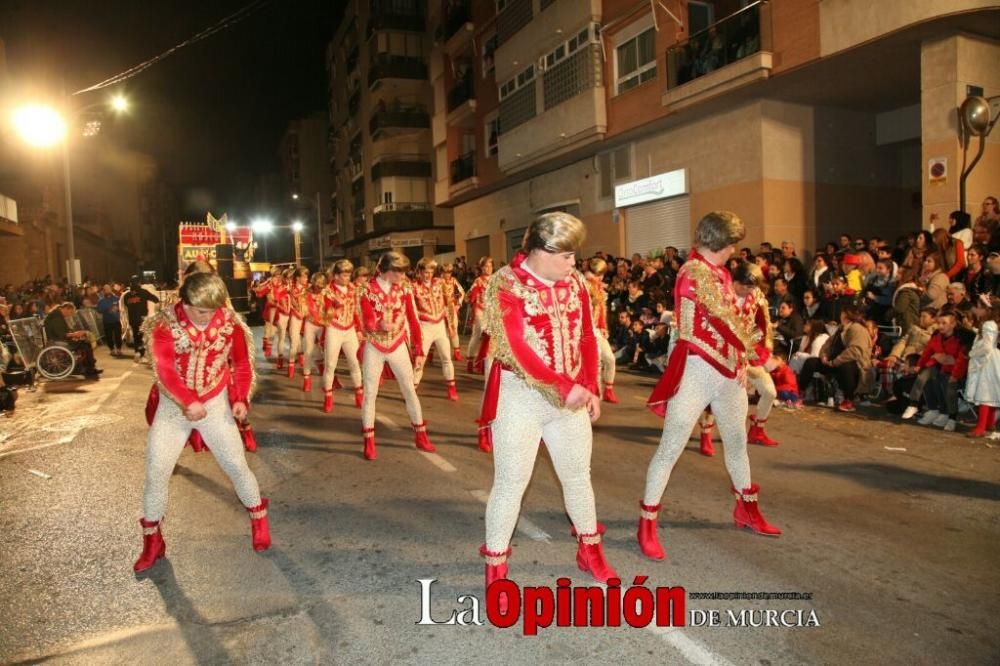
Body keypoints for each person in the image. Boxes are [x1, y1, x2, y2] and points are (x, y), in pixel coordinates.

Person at [477, 212, 616, 612]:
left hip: (570, 398)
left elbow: (589, 335)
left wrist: (589, 385)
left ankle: (590, 551)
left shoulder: (575, 283)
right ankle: (496, 567)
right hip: (519, 397)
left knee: (578, 477)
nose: (574, 264)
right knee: (511, 483)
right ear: (541, 250)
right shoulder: (505, 283)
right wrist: (563, 386)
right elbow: (517, 347)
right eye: (567, 255)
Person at [641, 211, 781, 563]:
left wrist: (744, 359)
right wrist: (757, 353)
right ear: (724, 243)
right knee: (670, 448)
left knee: (736, 444)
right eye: (733, 244)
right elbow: (722, 317)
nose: (734, 251)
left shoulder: (718, 272)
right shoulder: (694, 272)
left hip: (727, 372)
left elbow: (733, 318)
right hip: (697, 370)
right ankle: (647, 524)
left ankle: (746, 509)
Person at [133, 272, 270, 572]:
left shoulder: (229, 322)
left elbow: (242, 364)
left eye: (212, 311)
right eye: (200, 311)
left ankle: (259, 519)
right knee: (157, 471)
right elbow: (165, 369)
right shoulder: (164, 324)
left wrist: (239, 399)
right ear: (185, 302)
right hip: (173, 407)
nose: (207, 318)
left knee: (236, 465)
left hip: (214, 401)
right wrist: (187, 400)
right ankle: (152, 541)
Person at [357, 251, 435, 460]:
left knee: (409, 389)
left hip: (398, 343)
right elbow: (364, 318)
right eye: (398, 271)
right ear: (386, 270)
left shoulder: (405, 287)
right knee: (370, 393)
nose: (402, 275)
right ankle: (369, 440)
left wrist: (418, 350)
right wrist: (377, 324)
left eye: (403, 271)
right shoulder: (366, 289)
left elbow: (413, 319)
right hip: (374, 344)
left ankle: (421, 435)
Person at [732, 262, 781, 447]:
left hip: (750, 352)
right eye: (746, 285)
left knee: (769, 392)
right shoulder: (722, 295)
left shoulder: (758, 297)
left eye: (752, 286)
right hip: (727, 355)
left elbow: (764, 325)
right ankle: (708, 430)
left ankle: (757, 429)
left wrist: (764, 352)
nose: (749, 290)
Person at [901, 309, 969, 431]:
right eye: (939, 323)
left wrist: (954, 372)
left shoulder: (960, 338)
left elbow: (961, 359)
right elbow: (928, 351)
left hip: (954, 370)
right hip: (937, 365)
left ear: (953, 324)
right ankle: (918, 405)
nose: (940, 326)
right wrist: (920, 365)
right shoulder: (937, 336)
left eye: (944, 323)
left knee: (948, 385)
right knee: (925, 375)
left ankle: (951, 417)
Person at [798, 305, 872, 412]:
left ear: (846, 315)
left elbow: (855, 351)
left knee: (847, 367)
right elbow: (828, 344)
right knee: (811, 362)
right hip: (833, 362)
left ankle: (849, 399)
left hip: (854, 366)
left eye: (842, 313)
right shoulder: (841, 329)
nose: (840, 315)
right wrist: (824, 355)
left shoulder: (857, 329)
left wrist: (835, 362)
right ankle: (800, 392)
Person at [411, 258, 459, 401]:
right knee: (420, 359)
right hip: (425, 326)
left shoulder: (440, 283)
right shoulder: (413, 287)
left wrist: (451, 325)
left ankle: (451, 388)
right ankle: (413, 389)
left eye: (431, 271)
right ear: (419, 272)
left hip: (439, 326)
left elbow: (449, 303)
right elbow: (410, 310)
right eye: (425, 272)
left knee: (446, 358)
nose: (428, 275)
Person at [321, 260, 364, 414]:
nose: (347, 278)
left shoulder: (353, 289)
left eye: (348, 275)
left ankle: (360, 395)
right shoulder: (327, 291)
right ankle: (328, 397)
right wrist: (335, 308)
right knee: (331, 365)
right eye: (344, 275)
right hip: (334, 329)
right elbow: (323, 315)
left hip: (350, 328)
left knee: (355, 362)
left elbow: (356, 311)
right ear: (336, 275)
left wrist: (359, 329)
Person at [585, 258, 619, 404]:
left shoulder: (599, 287)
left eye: (602, 274)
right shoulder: (584, 286)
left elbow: (601, 310)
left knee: (610, 359)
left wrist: (603, 326)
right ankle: (595, 394)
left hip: (597, 330)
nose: (600, 277)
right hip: (586, 331)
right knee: (596, 363)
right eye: (598, 274)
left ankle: (608, 390)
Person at [964, 299, 1000, 438]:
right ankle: (989, 423)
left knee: (985, 392)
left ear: (987, 310)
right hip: (991, 359)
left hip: (987, 361)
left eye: (978, 307)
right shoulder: (991, 324)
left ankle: (981, 428)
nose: (976, 310)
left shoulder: (989, 324)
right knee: (989, 392)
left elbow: (986, 346)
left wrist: (972, 353)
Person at [43, 302, 100, 378]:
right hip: (57, 342)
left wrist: (74, 334)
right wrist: (75, 334)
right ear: (66, 309)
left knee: (85, 343)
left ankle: (89, 367)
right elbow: (61, 334)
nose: (70, 315)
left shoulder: (57, 315)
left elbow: (64, 332)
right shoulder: (56, 317)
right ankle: (89, 368)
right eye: (70, 312)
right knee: (84, 344)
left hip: (59, 339)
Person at [300, 272, 328, 392]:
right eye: (317, 286)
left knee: (326, 351)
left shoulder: (327, 292)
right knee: (308, 351)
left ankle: (326, 376)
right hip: (310, 323)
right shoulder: (305, 293)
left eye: (321, 287)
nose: (319, 289)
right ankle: (307, 379)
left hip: (324, 324)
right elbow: (303, 310)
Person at [465, 256, 493, 374]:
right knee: (477, 336)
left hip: (491, 312)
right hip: (480, 311)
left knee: (490, 337)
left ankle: (482, 362)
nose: (488, 268)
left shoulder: (494, 279)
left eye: (490, 266)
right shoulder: (478, 281)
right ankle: (470, 362)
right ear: (481, 268)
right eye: (486, 266)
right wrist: (474, 298)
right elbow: (468, 296)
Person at [122, 277, 159, 361]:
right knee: (143, 336)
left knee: (136, 336)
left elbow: (126, 305)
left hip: (132, 319)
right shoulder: (143, 292)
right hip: (142, 318)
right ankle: (142, 354)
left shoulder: (127, 295)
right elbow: (156, 299)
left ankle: (137, 352)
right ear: (139, 283)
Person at [285, 267, 310, 379]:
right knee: (294, 343)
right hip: (295, 317)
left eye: (307, 276)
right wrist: (297, 313)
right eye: (304, 276)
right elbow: (290, 304)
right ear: (298, 278)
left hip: (307, 318)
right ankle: (291, 365)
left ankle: (305, 364)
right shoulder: (290, 289)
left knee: (308, 344)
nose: (306, 279)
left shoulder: (309, 288)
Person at [440, 262, 466, 361]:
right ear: (441, 272)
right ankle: (432, 353)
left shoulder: (453, 281)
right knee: (441, 332)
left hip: (451, 308)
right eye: (445, 272)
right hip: (440, 309)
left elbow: (462, 292)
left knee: (454, 329)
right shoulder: (438, 281)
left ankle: (456, 352)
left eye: (449, 272)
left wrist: (458, 304)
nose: (447, 274)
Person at [97, 284, 124, 356]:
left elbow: (122, 308)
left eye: (108, 288)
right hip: (107, 321)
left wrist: (118, 309)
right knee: (108, 336)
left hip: (116, 320)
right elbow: (99, 310)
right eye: (106, 289)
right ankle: (111, 349)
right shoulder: (101, 300)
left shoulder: (117, 298)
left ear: (111, 289)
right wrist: (107, 310)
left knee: (118, 335)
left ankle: (119, 349)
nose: (107, 290)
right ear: (104, 291)